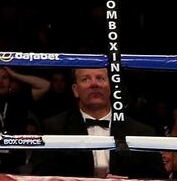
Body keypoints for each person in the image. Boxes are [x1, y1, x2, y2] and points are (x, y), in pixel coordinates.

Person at [32, 68, 166, 178]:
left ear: (112, 87)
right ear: (75, 90)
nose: (94, 84)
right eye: (86, 79)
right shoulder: (54, 127)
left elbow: (158, 178)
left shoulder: (141, 131)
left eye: (100, 78)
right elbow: (40, 177)